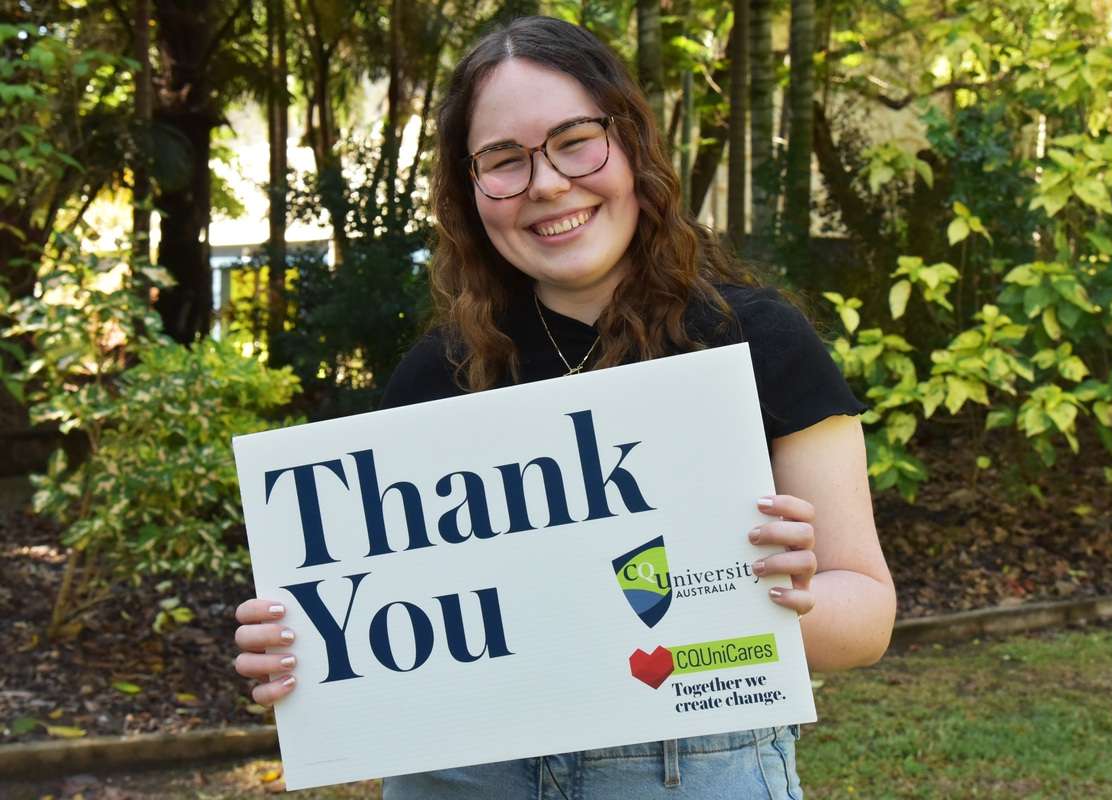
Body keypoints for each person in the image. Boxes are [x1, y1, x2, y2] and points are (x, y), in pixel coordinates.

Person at [234, 15, 895, 799]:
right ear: (471, 190)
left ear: (632, 144)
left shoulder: (759, 342)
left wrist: (777, 597)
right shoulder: (436, 376)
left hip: (686, 771)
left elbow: (867, 621)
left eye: (575, 141)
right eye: (504, 160)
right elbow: (378, 625)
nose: (546, 183)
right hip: (463, 775)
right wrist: (299, 651)